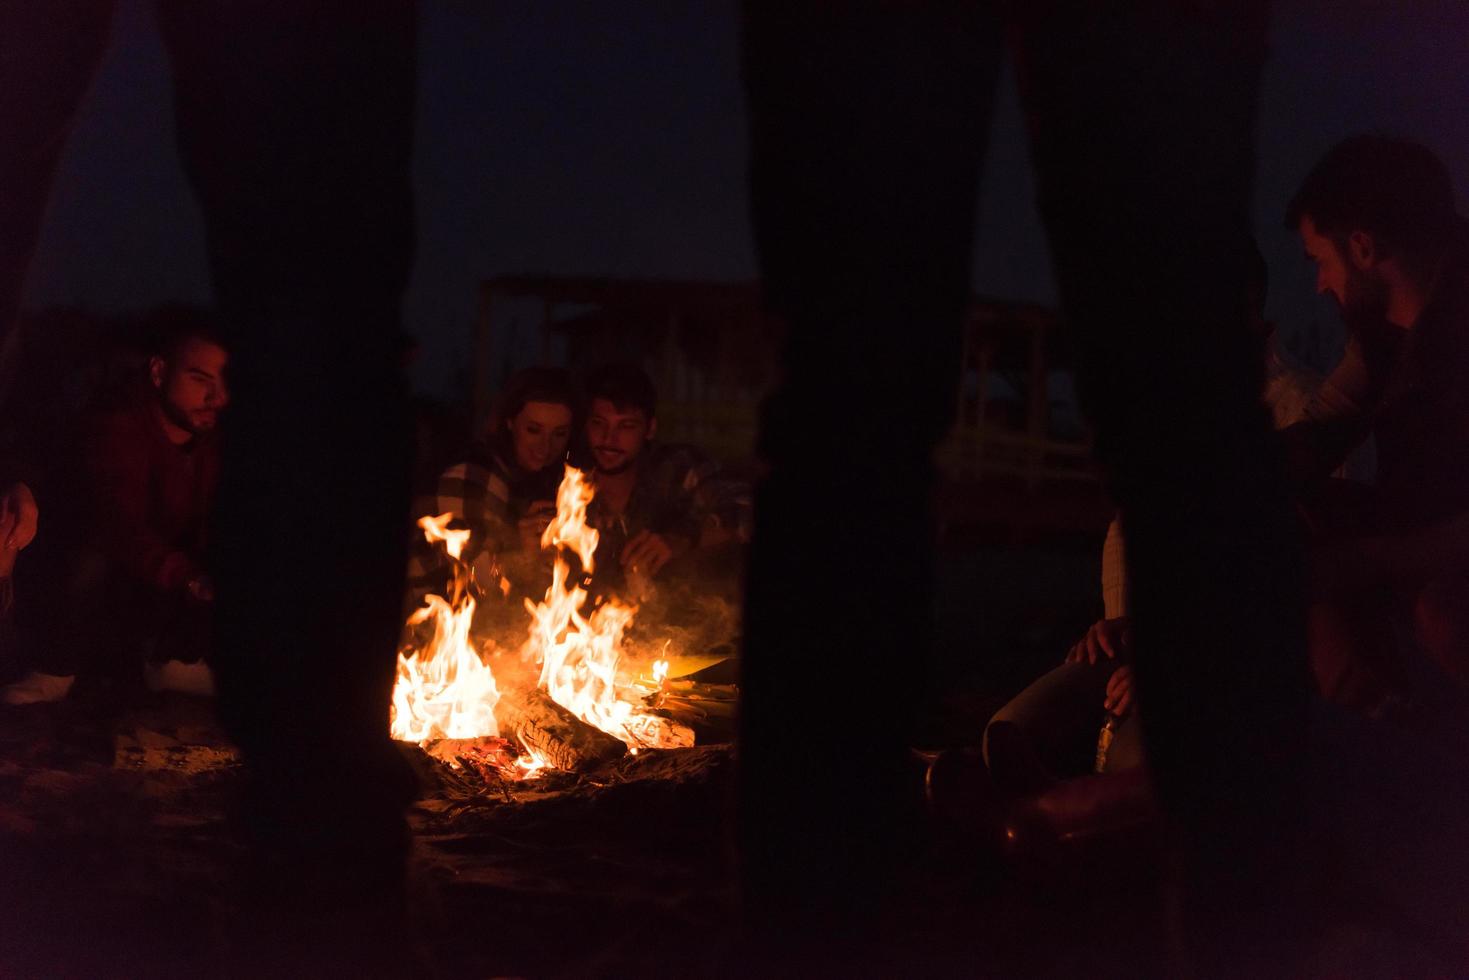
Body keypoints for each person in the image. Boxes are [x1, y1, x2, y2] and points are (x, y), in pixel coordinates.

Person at [984, 243, 1322, 792]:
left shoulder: (1299, 412)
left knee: (1134, 756)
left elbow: (1287, 576)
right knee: (1010, 733)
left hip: (1232, 661)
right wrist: (1119, 624)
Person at [1283, 136, 1469, 713]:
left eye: (1320, 260)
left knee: (1442, 612)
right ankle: (1362, 729)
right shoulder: (1386, 334)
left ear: (1362, 247)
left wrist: (1355, 562)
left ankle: (1386, 750)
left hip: (1450, 564)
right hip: (1424, 540)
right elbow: (1320, 431)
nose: (1320, 285)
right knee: (1288, 514)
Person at [2, 316, 228, 704]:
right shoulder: (116, 421)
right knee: (92, 553)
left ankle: (171, 659)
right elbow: (116, 524)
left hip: (152, 583)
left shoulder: (215, 439)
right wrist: (190, 578)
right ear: (159, 372)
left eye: (225, 382)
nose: (217, 397)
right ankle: (55, 666)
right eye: (200, 379)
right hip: (86, 578)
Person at [577, 363, 744, 598]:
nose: (609, 438)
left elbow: (745, 509)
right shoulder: (569, 485)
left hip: (681, 621)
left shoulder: (677, 469)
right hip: (582, 626)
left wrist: (682, 539)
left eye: (626, 426)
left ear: (650, 429)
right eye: (599, 423)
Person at [415, 366, 577, 597]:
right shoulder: (473, 478)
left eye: (559, 434)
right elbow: (462, 585)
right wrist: (521, 552)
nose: (545, 446)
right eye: (533, 430)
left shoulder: (542, 485)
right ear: (510, 422)